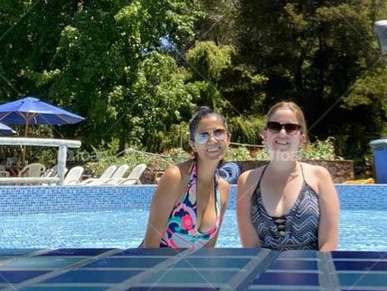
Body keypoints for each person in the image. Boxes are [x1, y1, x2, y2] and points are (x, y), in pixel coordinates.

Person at [237, 101, 340, 251]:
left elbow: (328, 244)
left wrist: (314, 274)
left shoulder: (319, 178)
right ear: (265, 135)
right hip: (264, 272)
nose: (282, 133)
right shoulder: (247, 181)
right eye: (274, 126)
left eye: (291, 128)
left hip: (313, 271)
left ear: (301, 138)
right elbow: (251, 247)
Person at [141, 106, 231, 248]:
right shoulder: (176, 177)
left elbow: (209, 251)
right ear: (193, 145)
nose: (212, 140)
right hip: (154, 266)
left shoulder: (223, 189)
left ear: (228, 139)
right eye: (203, 135)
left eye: (218, 132)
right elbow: (150, 246)